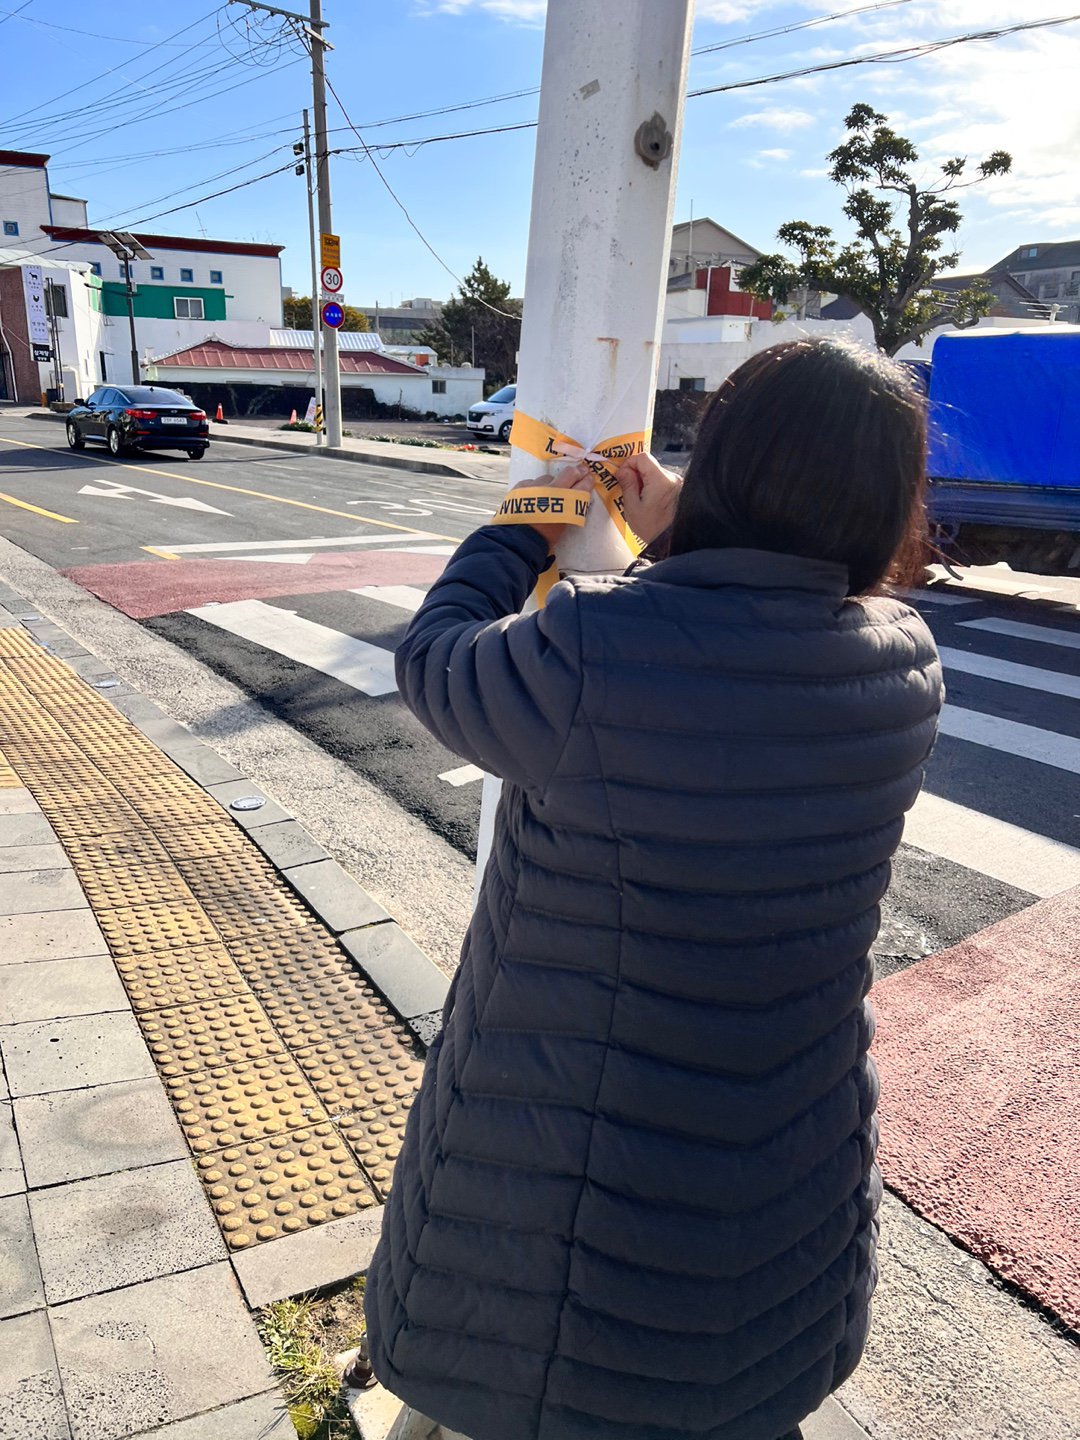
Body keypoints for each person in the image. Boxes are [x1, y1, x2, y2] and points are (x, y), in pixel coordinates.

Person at [359, 337, 943, 1440]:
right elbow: (740, 659)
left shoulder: (592, 647)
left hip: (572, 1153)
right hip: (788, 1141)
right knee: (726, 1371)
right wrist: (679, 534)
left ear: (722, 460)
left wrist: (519, 527)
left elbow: (436, 659)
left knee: (542, 1385)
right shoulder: (902, 663)